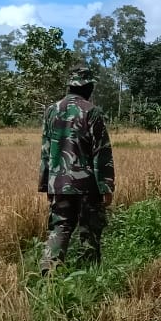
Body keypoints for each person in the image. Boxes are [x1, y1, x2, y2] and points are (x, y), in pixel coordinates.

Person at [38, 66, 115, 275]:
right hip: (86, 185)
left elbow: (46, 150)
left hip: (58, 183)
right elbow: (101, 152)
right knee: (89, 231)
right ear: (88, 86)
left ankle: (48, 273)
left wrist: (46, 185)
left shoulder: (51, 110)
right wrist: (106, 187)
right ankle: (87, 276)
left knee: (59, 228)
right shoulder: (91, 112)